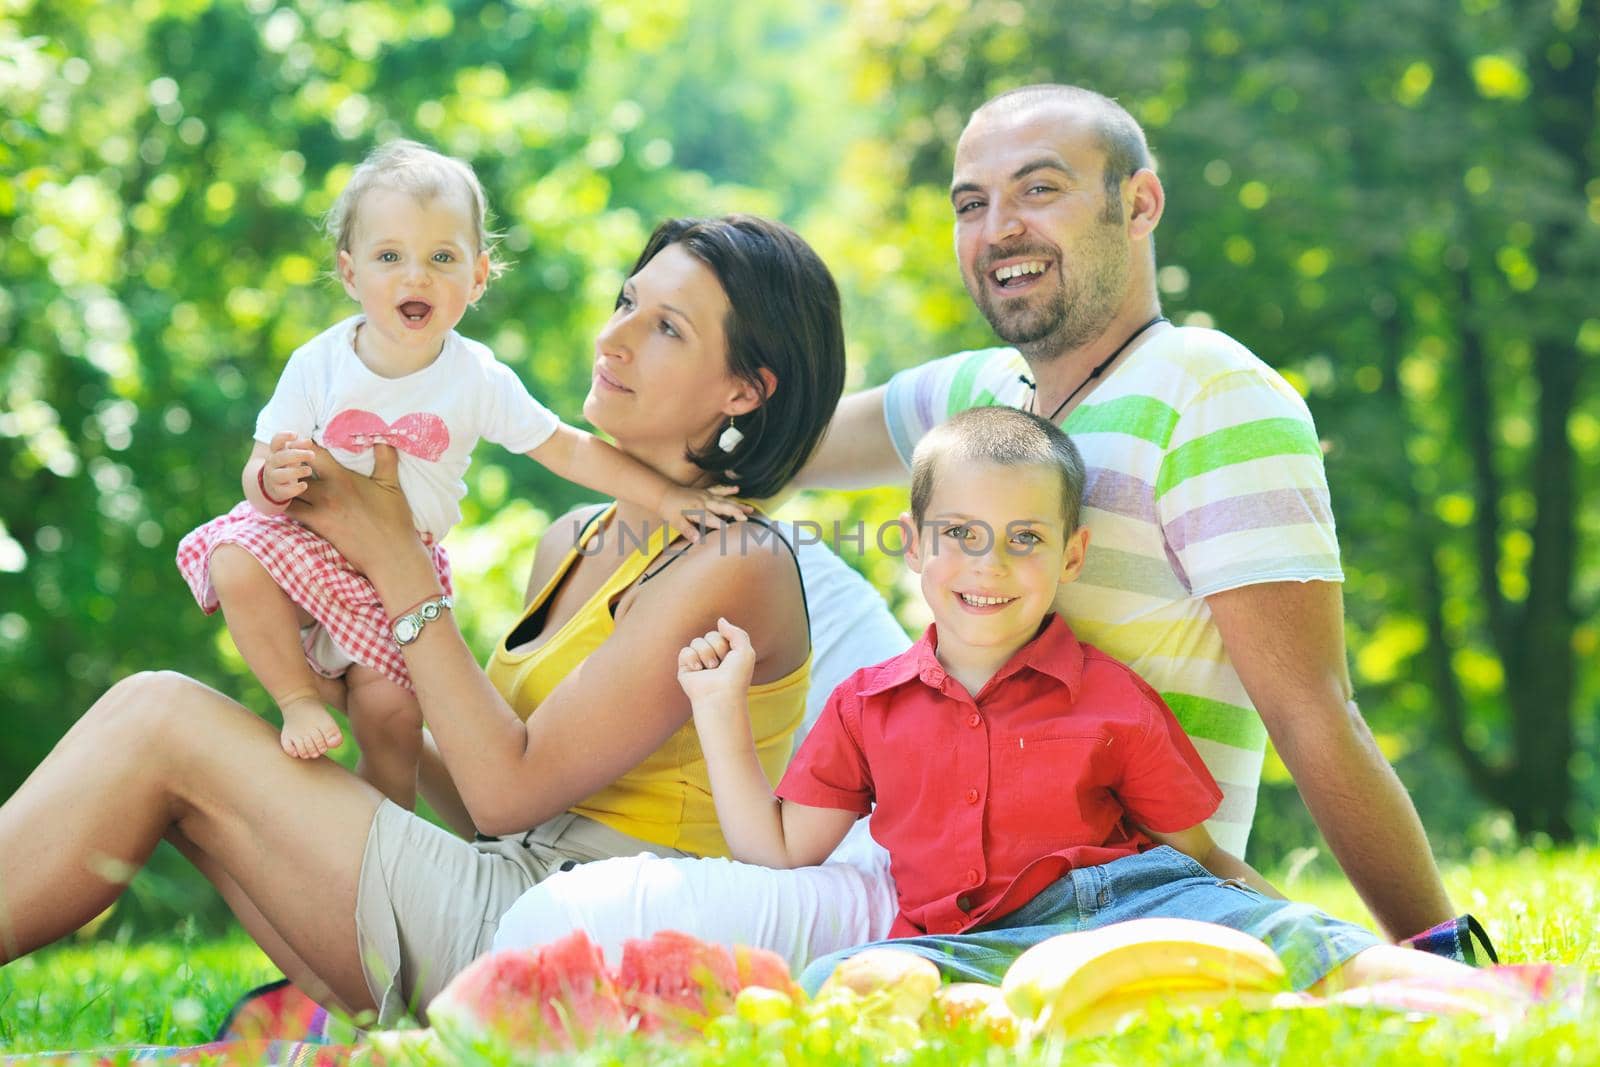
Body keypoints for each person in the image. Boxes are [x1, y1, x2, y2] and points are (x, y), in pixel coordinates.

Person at [493, 81, 1453, 964]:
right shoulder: (982, 393)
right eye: (971, 203)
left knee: (764, 553)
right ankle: (629, 822)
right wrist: (501, 431)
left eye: (1040, 190)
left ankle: (609, 848)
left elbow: (1312, 711)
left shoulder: (1215, 395)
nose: (1001, 229)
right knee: (770, 545)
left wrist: (1428, 940)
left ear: (1140, 203)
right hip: (929, 798)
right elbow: (738, 427)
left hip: (1094, 866)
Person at [0, 214, 844, 1026]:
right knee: (180, 731)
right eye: (626, 302)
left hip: (575, 947)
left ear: (746, 389)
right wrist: (352, 677)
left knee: (162, 717)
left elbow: (508, 793)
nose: (613, 338)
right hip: (499, 883)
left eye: (667, 328)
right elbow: (493, 796)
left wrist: (396, 560)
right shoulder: (574, 540)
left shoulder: (737, 562)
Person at [680, 407, 1473, 996]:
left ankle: (1502, 1000)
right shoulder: (866, 707)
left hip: (1141, 905)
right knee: (839, 982)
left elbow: (1199, 860)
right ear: (913, 542)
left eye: (1025, 539)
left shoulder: (1110, 697)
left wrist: (1291, 923)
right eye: (960, 533)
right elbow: (780, 849)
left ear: (1072, 554)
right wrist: (720, 707)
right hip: (976, 944)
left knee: (1312, 946)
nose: (989, 566)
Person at [173, 140, 744, 809]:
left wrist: (669, 496)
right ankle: (298, 698)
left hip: (398, 575)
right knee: (236, 557)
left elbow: (567, 448)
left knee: (391, 721)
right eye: (390, 257)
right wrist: (271, 479)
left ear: (477, 277)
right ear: (350, 273)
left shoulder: (475, 378)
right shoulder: (321, 362)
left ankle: (381, 837)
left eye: (441, 258)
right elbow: (259, 468)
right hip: (305, 549)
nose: (416, 277)